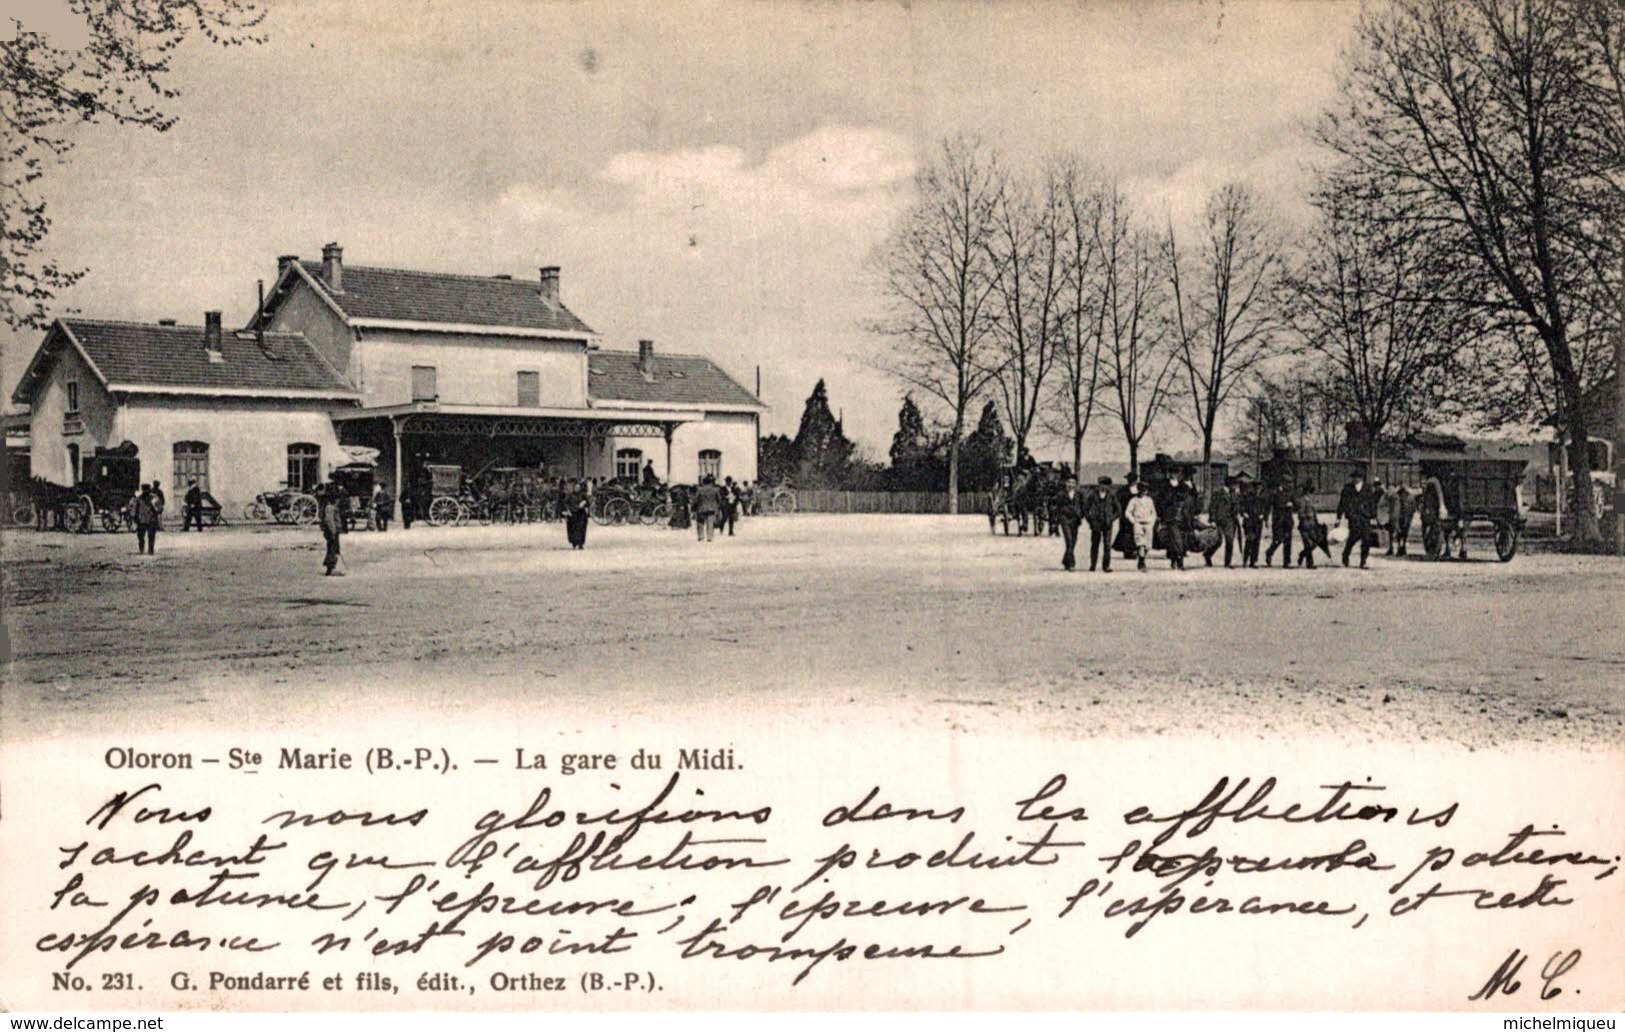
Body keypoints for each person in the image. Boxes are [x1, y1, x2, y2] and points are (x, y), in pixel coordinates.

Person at [1336, 471, 1380, 569]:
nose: (1356, 479)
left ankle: (1363, 561)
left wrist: (1373, 516)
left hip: (1365, 518)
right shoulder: (1347, 488)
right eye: (1354, 477)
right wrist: (1338, 517)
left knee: (1366, 540)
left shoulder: (1367, 488)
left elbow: (1372, 503)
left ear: (1362, 478)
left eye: (1358, 477)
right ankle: (1345, 555)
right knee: (1353, 538)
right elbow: (1342, 503)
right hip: (1353, 518)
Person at [1085, 476, 1121, 573]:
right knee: (1095, 544)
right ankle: (1093, 565)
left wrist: (1111, 518)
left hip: (1107, 523)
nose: (1103, 487)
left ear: (1108, 486)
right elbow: (1086, 509)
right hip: (1096, 523)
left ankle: (1106, 566)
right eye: (1101, 484)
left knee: (1107, 545)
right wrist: (1090, 520)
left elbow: (1118, 510)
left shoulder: (1112, 495)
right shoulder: (1093, 495)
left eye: (1105, 485)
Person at [1053, 475, 1085, 571]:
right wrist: (1057, 521)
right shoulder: (1061, 494)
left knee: (1073, 541)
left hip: (1075, 520)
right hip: (1064, 519)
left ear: (1076, 484)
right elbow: (1057, 508)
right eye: (1069, 482)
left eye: (1073, 483)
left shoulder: (1079, 494)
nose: (1071, 484)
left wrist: (1081, 515)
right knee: (1069, 540)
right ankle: (1071, 564)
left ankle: (1065, 561)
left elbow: (1083, 506)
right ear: (1066, 483)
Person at [1124, 481, 1158, 572]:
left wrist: (1152, 522)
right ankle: (1142, 563)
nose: (1143, 492)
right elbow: (1127, 512)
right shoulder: (1134, 500)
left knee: (1147, 546)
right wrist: (1133, 521)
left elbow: (1153, 513)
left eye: (1145, 490)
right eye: (1141, 490)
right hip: (1138, 524)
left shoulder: (1149, 500)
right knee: (1140, 544)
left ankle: (1141, 558)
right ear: (1138, 490)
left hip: (1148, 524)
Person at [1205, 481, 1239, 568]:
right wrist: (1212, 519)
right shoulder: (1218, 493)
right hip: (1219, 520)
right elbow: (1212, 507)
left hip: (1229, 521)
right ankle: (1207, 554)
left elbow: (1235, 507)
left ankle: (1228, 563)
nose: (1235, 486)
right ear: (1229, 484)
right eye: (1234, 484)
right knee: (1218, 541)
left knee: (1230, 541)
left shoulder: (1233, 494)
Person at [1264, 481, 1295, 568]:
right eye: (1287, 483)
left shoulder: (1290, 494)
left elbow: (1296, 505)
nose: (1289, 485)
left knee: (1288, 541)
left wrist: (1292, 505)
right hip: (1278, 521)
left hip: (1288, 520)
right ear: (1282, 484)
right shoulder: (1275, 494)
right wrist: (1266, 519)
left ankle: (1286, 562)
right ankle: (1269, 552)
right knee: (1278, 540)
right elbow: (1268, 506)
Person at [317, 483, 345, 575]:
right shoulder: (330, 508)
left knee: (335, 549)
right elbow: (329, 521)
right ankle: (331, 568)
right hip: (332, 532)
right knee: (332, 549)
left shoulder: (331, 507)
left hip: (334, 531)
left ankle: (331, 568)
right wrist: (333, 531)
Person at [1295, 480, 1323, 569]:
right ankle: (1309, 563)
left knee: (1315, 543)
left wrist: (1316, 522)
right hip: (1304, 525)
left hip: (1312, 524)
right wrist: (1306, 517)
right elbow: (1300, 514)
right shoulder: (1302, 500)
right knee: (1308, 544)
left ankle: (1302, 554)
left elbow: (1314, 513)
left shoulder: (1310, 499)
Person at [1239, 480, 1265, 568]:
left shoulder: (1261, 498)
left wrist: (1263, 514)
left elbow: (1265, 508)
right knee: (1249, 541)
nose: (1258, 490)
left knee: (1257, 542)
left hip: (1258, 522)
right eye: (1257, 488)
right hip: (1249, 522)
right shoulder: (1248, 497)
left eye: (1259, 488)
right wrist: (1243, 513)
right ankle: (1245, 560)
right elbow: (1241, 507)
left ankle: (1253, 561)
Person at [133, 483, 160, 555]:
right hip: (141, 520)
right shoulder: (138, 498)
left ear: (149, 490)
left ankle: (150, 550)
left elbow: (159, 508)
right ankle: (141, 550)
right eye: (144, 490)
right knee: (140, 536)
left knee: (151, 536)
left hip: (152, 519)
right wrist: (135, 518)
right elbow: (135, 509)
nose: (145, 492)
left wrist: (156, 508)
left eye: (147, 490)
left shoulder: (154, 498)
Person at [693, 475, 722, 542]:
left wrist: (694, 507)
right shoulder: (715, 489)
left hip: (701, 508)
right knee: (710, 523)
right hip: (711, 508)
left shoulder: (699, 489)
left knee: (700, 522)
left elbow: (696, 499)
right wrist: (718, 507)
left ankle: (701, 536)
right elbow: (719, 499)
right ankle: (710, 537)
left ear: (703, 482)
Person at [1389, 485, 1415, 556]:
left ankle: (1401, 546)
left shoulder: (1399, 498)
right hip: (1402, 515)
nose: (1403, 496)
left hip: (1405, 515)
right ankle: (1401, 546)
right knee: (1401, 531)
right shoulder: (1409, 498)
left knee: (1403, 531)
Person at [565, 478, 590, 549]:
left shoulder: (583, 494)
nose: (577, 489)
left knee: (581, 529)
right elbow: (565, 503)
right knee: (573, 529)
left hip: (581, 514)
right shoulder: (570, 495)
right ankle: (574, 543)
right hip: (572, 514)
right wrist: (567, 510)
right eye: (575, 487)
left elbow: (588, 502)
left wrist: (584, 502)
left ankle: (581, 544)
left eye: (578, 487)